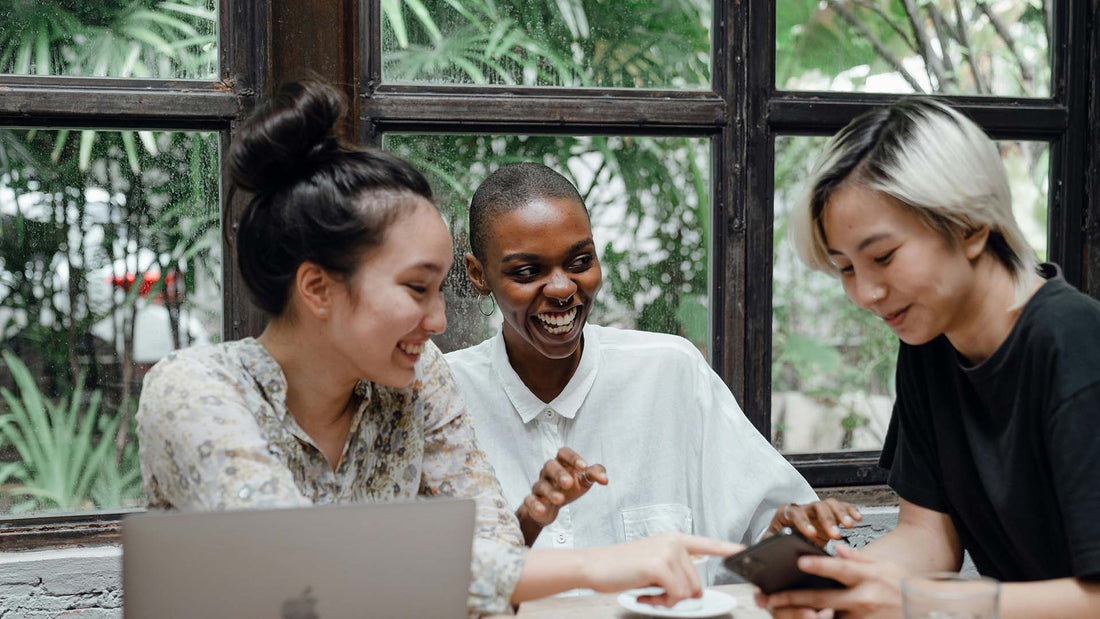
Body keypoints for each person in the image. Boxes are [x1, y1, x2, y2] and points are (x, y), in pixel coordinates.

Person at [135, 81, 742, 618]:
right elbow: (300, 565)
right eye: (416, 288)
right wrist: (597, 566)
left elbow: (494, 559)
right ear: (318, 287)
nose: (439, 319)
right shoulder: (196, 392)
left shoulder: (417, 379)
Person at [759, 99, 1100, 618]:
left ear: (968, 227)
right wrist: (832, 586)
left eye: (883, 257)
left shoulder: (1074, 344)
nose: (866, 293)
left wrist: (927, 601)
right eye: (846, 268)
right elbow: (927, 536)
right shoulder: (929, 344)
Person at [444, 163, 858, 577]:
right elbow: (437, 581)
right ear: (479, 275)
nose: (563, 288)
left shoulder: (670, 373)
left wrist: (792, 535)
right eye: (528, 272)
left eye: (580, 261)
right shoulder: (446, 397)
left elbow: (769, 537)